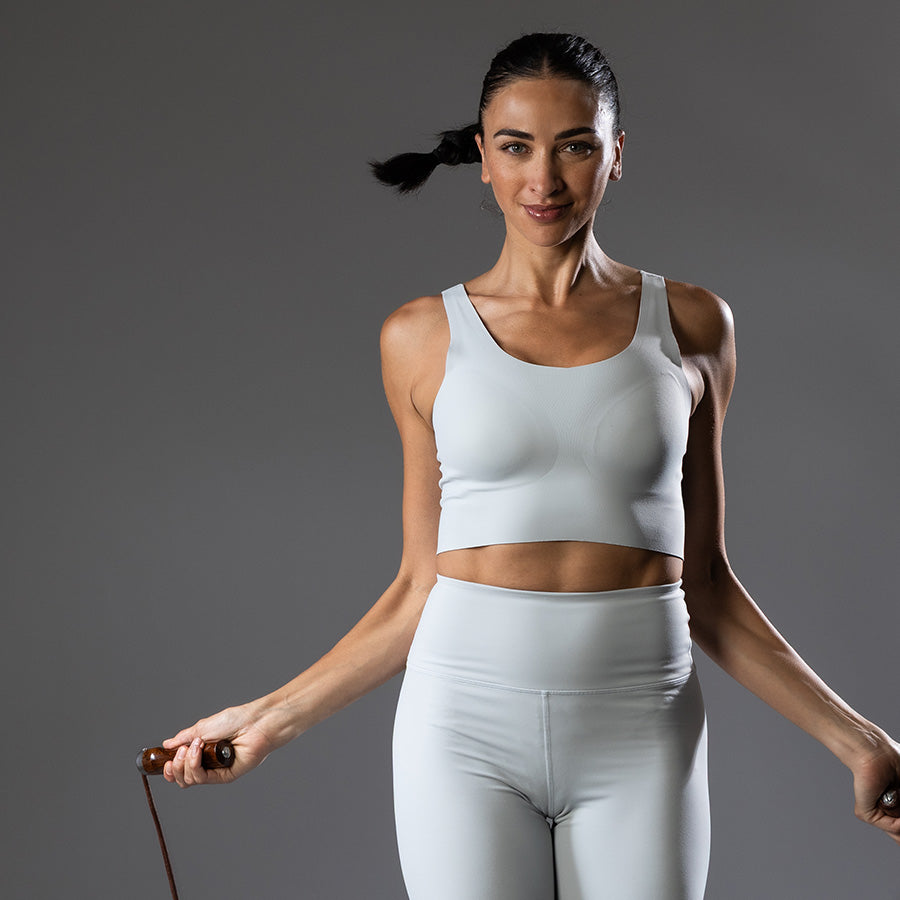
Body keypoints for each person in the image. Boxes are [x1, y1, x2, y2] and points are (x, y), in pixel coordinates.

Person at [160, 32, 900, 899]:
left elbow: (705, 582)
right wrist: (265, 720)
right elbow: (414, 590)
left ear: (616, 155)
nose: (543, 181)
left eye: (575, 146)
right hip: (462, 730)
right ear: (481, 156)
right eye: (515, 147)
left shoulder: (695, 326)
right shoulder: (420, 338)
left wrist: (865, 743)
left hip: (642, 725)